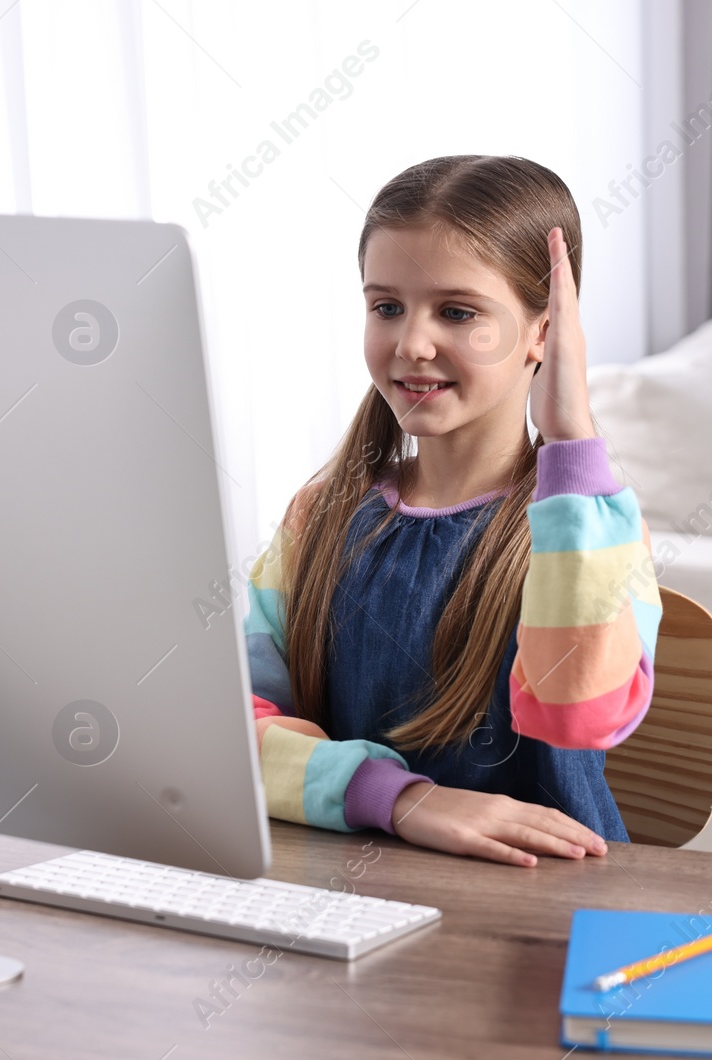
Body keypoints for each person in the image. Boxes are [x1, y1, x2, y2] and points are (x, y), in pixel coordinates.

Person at [245, 155, 660, 867]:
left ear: (544, 331)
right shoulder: (319, 516)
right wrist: (401, 797)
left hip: (537, 906)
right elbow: (232, 728)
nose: (411, 343)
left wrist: (569, 439)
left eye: (457, 312)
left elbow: (579, 711)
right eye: (387, 306)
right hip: (349, 883)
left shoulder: (586, 529)